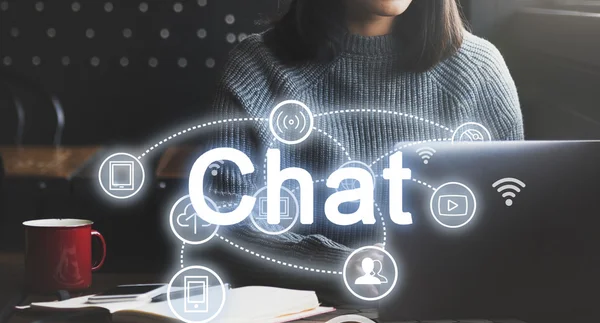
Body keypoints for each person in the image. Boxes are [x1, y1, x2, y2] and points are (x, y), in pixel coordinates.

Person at [206, 0, 523, 289]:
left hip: (446, 312)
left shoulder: (480, 70)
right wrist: (359, 268)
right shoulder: (257, 67)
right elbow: (225, 231)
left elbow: (515, 228)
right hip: (298, 318)